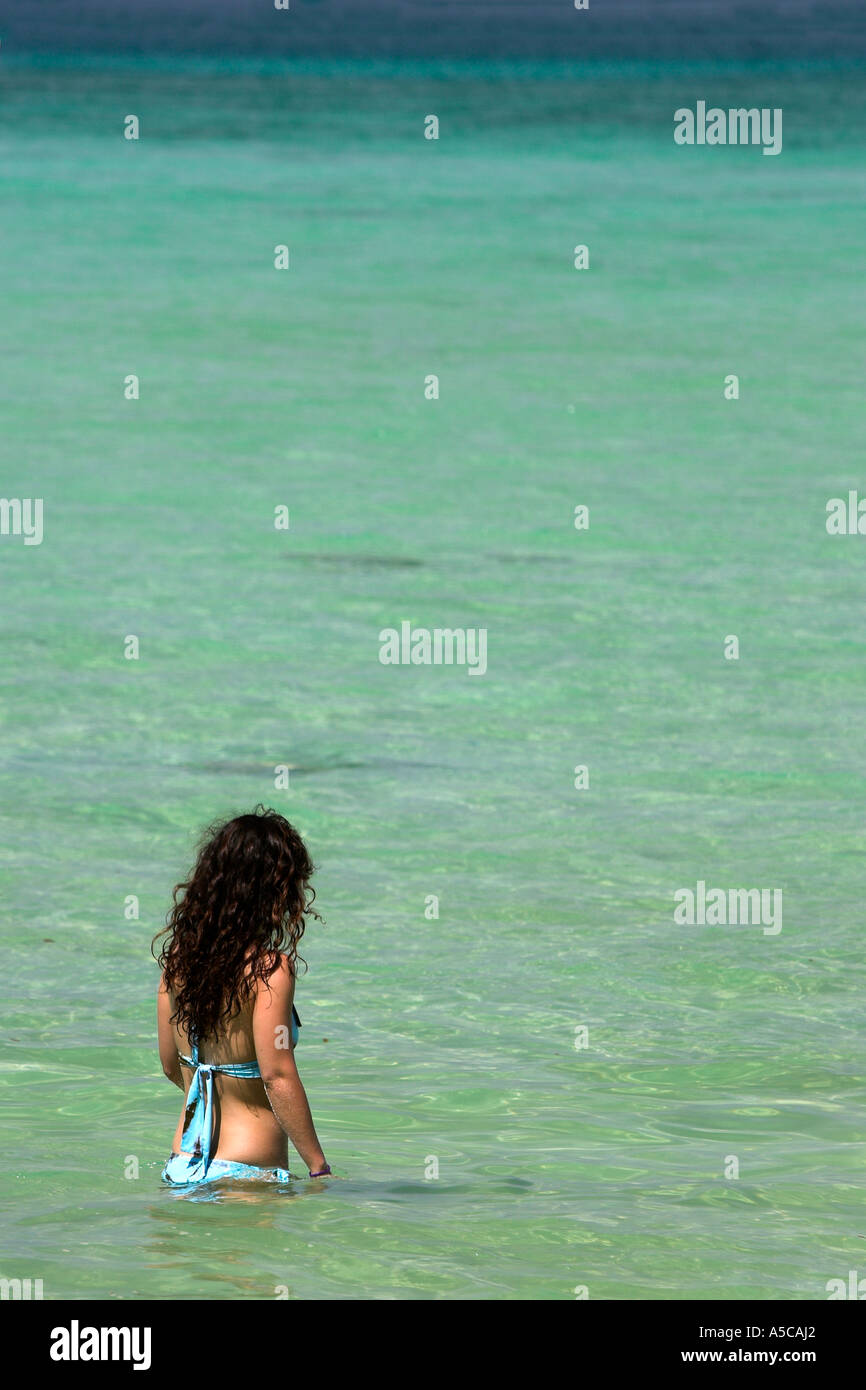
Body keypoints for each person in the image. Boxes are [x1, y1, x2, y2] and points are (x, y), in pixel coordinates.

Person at [153, 806, 330, 1185]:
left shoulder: (178, 964)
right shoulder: (270, 970)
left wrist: (219, 1088)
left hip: (181, 1165)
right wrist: (319, 1167)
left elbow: (171, 1065)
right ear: (276, 890)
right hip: (248, 1171)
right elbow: (276, 1074)